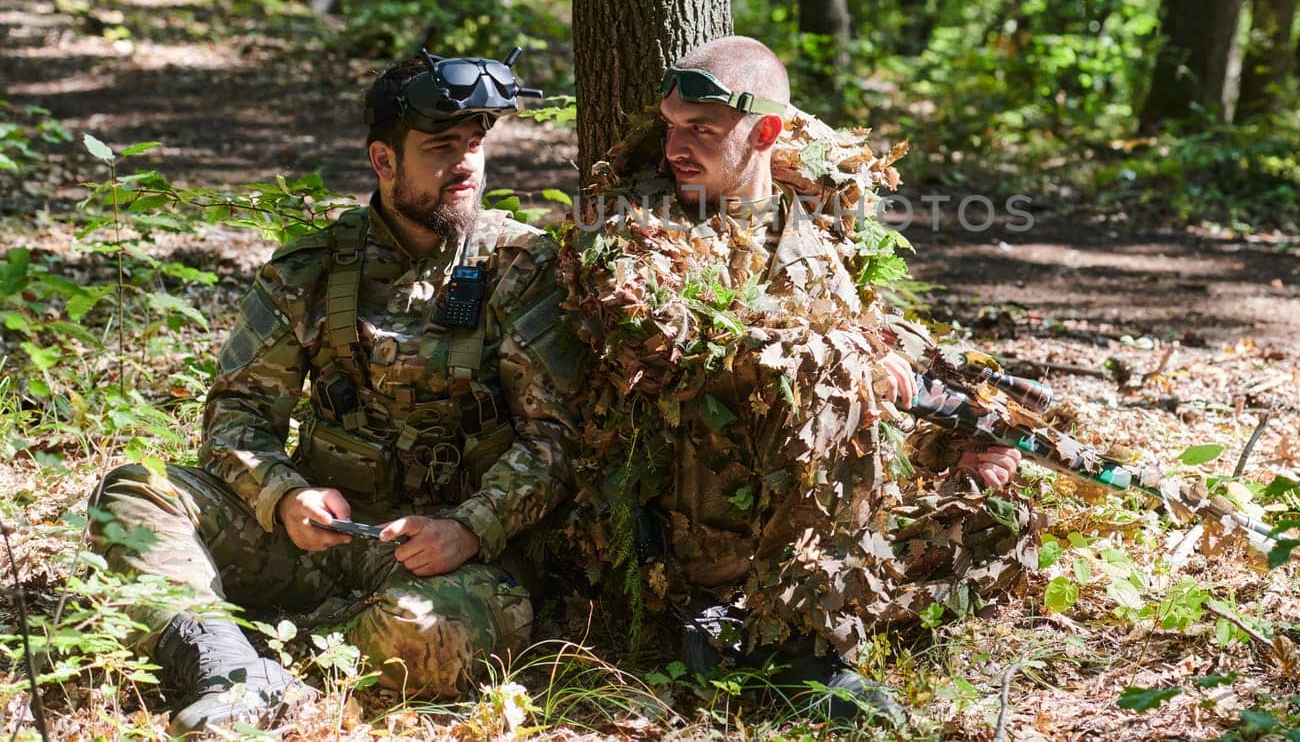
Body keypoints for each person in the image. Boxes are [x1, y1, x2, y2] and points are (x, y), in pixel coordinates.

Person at [88, 52, 579, 737]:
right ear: (383, 160)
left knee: (432, 630)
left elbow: (556, 441)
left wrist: (470, 526)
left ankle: (274, 674)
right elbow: (236, 416)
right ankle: (222, 661)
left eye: (475, 143)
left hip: (449, 565)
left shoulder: (520, 270)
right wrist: (284, 495)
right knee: (137, 492)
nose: (466, 165)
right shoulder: (312, 269)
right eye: (440, 148)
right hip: (317, 542)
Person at [556, 36, 1035, 725]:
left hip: (801, 513)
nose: (675, 149)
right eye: (671, 126)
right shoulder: (632, 225)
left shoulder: (812, 228)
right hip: (686, 517)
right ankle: (802, 658)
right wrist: (840, 349)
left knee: (995, 513)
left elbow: (868, 393)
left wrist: (942, 447)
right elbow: (667, 345)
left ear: (767, 133)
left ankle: (746, 633)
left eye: (703, 131)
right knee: (835, 361)